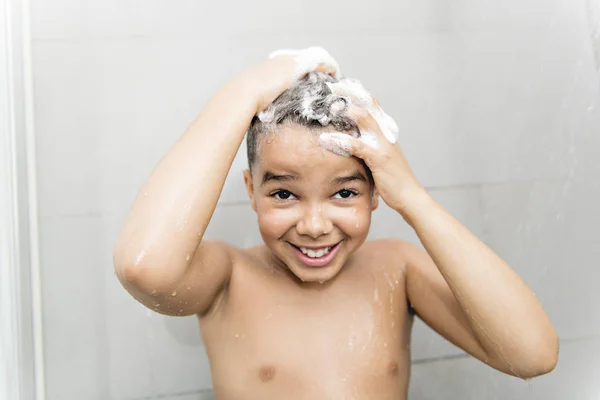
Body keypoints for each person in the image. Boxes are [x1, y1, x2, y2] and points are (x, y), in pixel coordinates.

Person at [113, 47, 558, 400]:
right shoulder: (229, 279)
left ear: (377, 190)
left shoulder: (396, 270)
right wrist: (244, 93)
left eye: (344, 192)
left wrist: (415, 199)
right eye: (283, 193)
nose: (314, 225)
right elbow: (144, 267)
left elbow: (533, 354)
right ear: (251, 190)